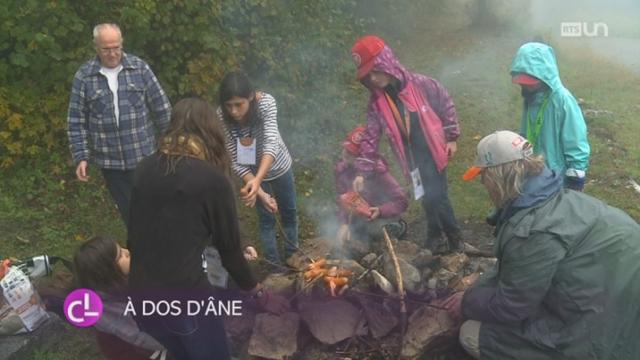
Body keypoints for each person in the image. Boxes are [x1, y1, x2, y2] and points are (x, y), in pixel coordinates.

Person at [127, 98, 289, 360]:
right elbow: (230, 251)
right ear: (211, 131)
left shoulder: (144, 168)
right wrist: (258, 293)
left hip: (140, 297)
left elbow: (136, 235)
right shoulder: (210, 179)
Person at [458, 130, 640, 359]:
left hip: (602, 332)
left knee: (471, 333)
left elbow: (511, 307)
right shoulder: (555, 196)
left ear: (496, 178)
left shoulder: (531, 230)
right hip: (623, 305)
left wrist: (464, 301)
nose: (483, 183)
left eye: (483, 176)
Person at [350, 35, 463, 254]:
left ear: (386, 63)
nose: (372, 78)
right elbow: (371, 137)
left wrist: (451, 137)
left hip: (433, 150)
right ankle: (436, 235)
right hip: (411, 157)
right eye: (367, 75)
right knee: (426, 196)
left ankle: (455, 239)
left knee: (438, 195)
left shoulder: (421, 84)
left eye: (375, 71)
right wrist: (361, 172)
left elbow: (445, 102)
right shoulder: (377, 103)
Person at [67, 23, 172, 226]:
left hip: (144, 156)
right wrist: (81, 156)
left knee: (155, 206)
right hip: (111, 163)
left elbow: (163, 109)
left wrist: (171, 142)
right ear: (96, 47)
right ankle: (140, 250)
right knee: (129, 212)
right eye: (106, 49)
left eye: (116, 47)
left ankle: (163, 247)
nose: (113, 53)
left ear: (122, 44)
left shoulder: (140, 68)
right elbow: (76, 120)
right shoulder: (84, 76)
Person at [218, 71, 298, 266]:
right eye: (229, 106)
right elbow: (235, 159)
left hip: (279, 167)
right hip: (252, 174)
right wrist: (260, 192)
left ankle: (293, 257)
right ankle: (274, 266)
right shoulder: (221, 116)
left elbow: (271, 142)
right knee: (266, 219)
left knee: (289, 213)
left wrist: (257, 180)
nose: (234, 111)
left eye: (239, 105)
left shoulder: (266, 104)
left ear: (251, 97)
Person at [511, 42, 590, 191]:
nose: (526, 86)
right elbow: (526, 130)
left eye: (531, 82)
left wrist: (575, 177)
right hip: (533, 171)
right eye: (523, 82)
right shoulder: (531, 98)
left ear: (544, 77)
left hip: (557, 177)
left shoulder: (563, 100)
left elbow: (576, 141)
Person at [73, 236, 167, 360]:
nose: (127, 252)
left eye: (122, 248)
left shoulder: (121, 285)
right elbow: (158, 340)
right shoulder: (112, 311)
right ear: (108, 272)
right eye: (120, 255)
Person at [335, 126, 408, 246]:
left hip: (379, 217)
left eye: (353, 153)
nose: (346, 154)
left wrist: (380, 210)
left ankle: (399, 227)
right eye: (347, 149)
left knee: (372, 230)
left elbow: (402, 202)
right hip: (358, 217)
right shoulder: (341, 171)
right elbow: (342, 200)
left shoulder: (379, 173)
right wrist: (344, 224)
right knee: (344, 231)